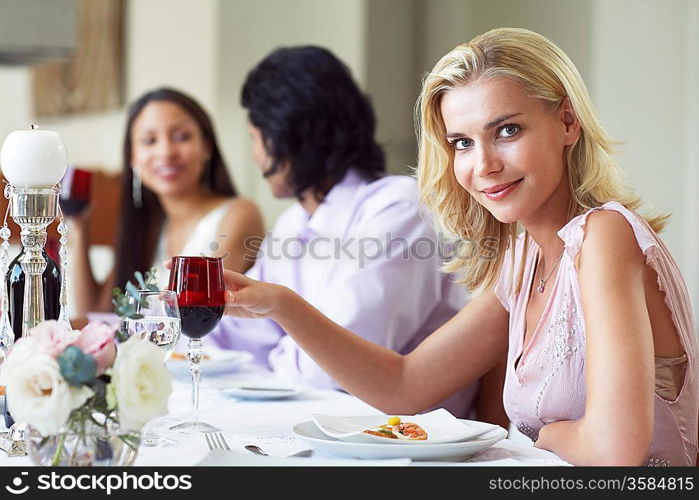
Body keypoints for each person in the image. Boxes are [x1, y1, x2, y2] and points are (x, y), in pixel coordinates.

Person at [217, 29, 698, 466]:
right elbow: (404, 384)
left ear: (568, 123)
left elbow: (615, 454)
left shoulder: (605, 235)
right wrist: (279, 304)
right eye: (462, 143)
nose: (483, 164)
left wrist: (547, 434)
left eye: (507, 130)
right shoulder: (523, 260)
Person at [206, 46, 506, 422]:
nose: (254, 154)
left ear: (286, 134)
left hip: (411, 443)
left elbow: (336, 369)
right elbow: (242, 332)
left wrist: (280, 346)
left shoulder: (399, 208)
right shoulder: (294, 224)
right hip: (331, 428)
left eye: (254, 137)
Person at [70, 87, 265, 312]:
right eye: (149, 140)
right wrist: (79, 226)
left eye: (181, 137)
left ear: (206, 147)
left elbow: (201, 312)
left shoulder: (239, 214)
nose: (165, 152)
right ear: (132, 156)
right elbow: (97, 315)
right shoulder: (148, 227)